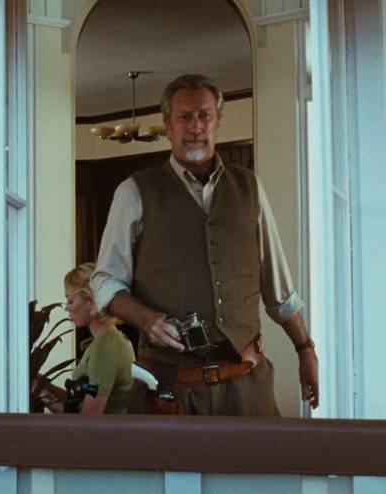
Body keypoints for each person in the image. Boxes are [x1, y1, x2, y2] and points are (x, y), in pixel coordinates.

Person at [91, 74, 319, 416]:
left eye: (204, 115)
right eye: (185, 117)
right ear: (168, 126)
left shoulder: (249, 187)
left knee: (264, 453)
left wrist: (305, 349)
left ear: (217, 122)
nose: (196, 126)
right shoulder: (134, 191)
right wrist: (146, 319)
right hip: (169, 389)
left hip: (247, 383)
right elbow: (105, 281)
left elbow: (279, 289)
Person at [44, 263, 135, 414]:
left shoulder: (107, 347)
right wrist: (44, 386)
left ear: (90, 300)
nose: (66, 307)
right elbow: (78, 403)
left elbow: (89, 418)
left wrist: (42, 395)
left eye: (70, 301)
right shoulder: (104, 341)